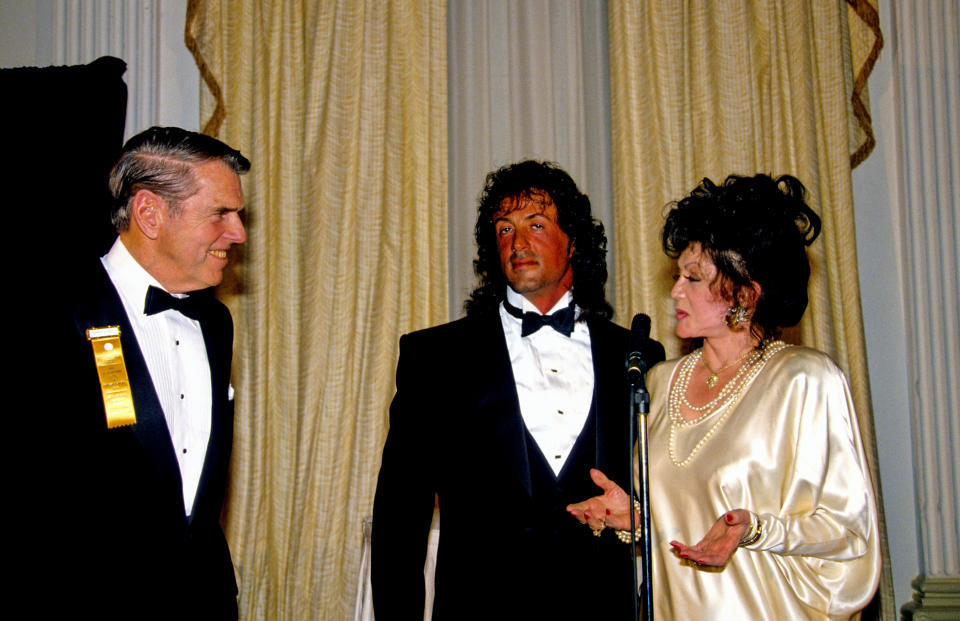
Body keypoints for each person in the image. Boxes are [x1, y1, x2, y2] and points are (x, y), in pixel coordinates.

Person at [568, 174, 881, 620]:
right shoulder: (658, 381)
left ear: (745, 293)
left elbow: (850, 531)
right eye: (678, 275)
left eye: (693, 278)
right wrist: (637, 517)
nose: (675, 290)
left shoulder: (804, 380)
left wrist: (754, 529)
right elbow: (682, 516)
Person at [371, 160, 665, 619]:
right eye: (504, 228)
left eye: (536, 224)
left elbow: (665, 503)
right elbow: (399, 521)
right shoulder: (434, 356)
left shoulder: (637, 355)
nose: (518, 242)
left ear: (574, 242)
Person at [50, 126, 249, 620]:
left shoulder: (215, 322)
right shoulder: (60, 311)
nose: (239, 232)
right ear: (149, 213)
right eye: (220, 213)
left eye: (239, 214)